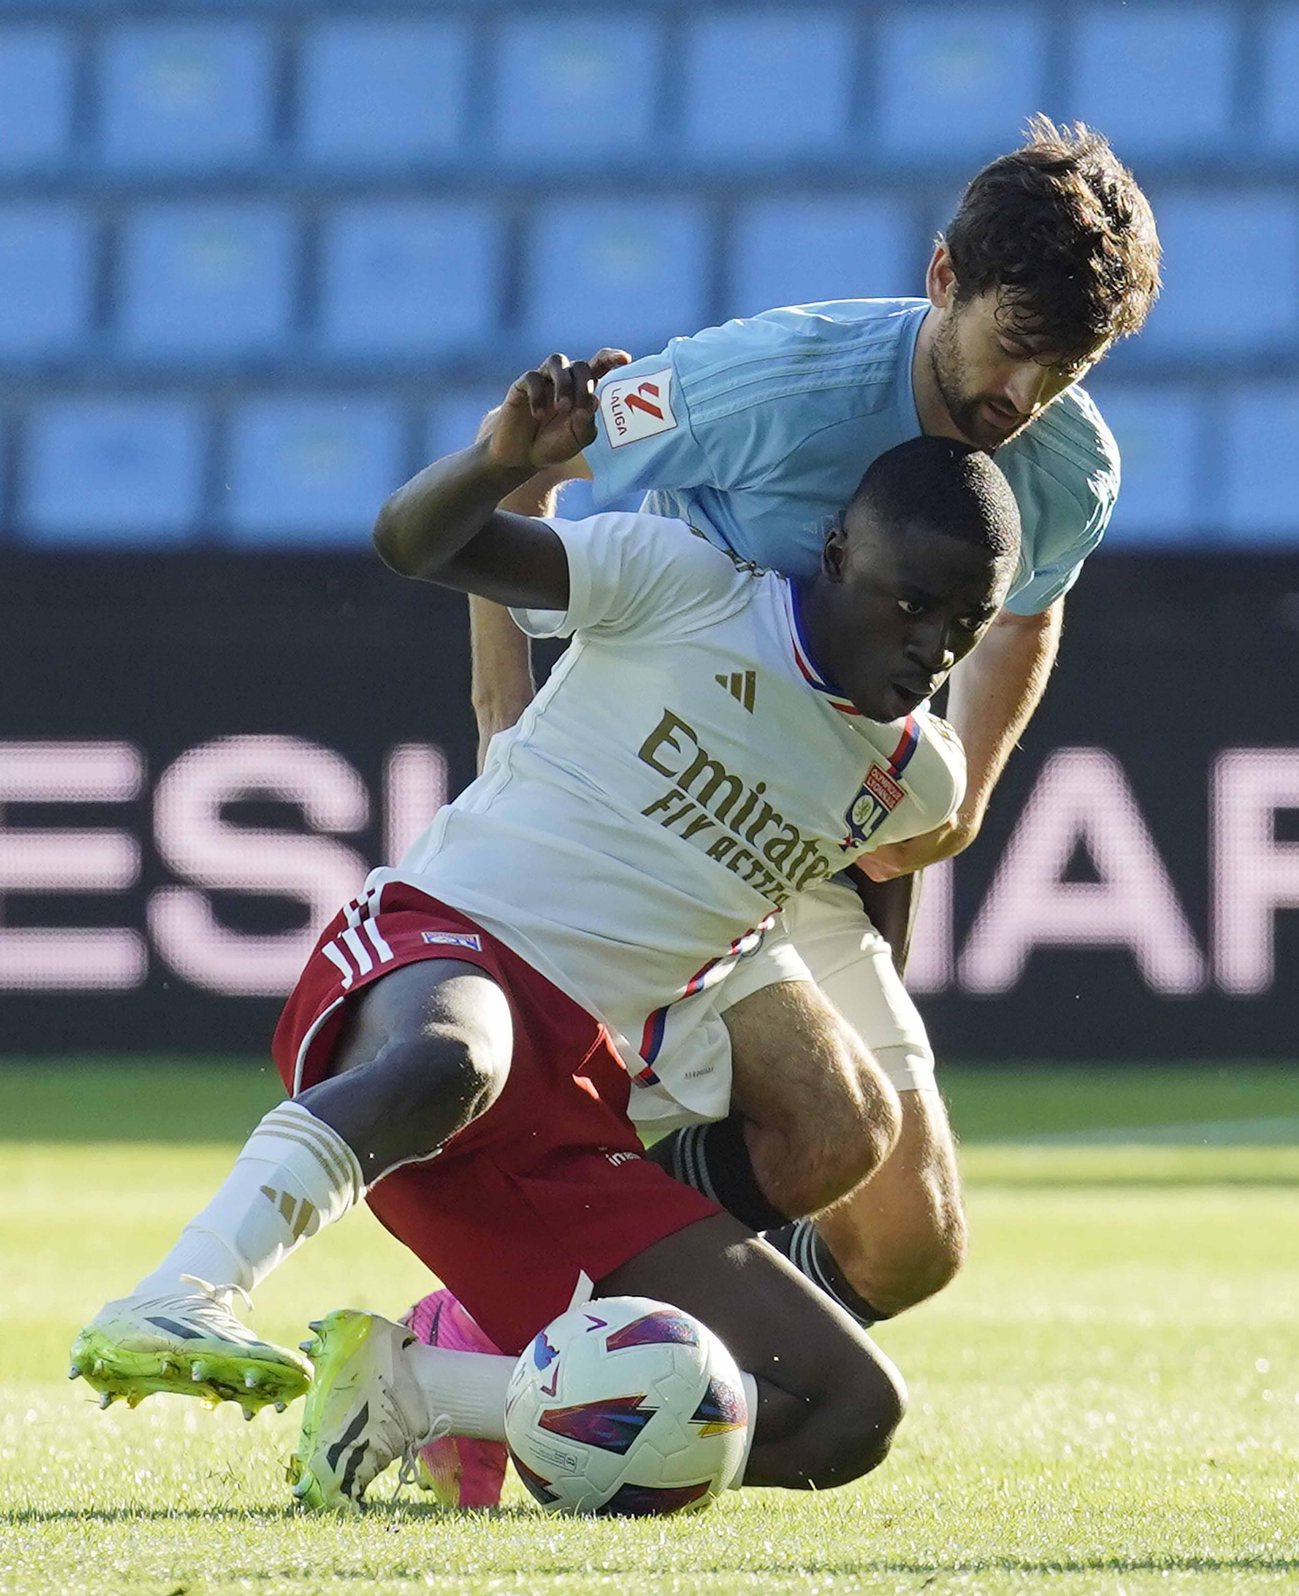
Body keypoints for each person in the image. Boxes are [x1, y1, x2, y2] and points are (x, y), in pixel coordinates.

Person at [70, 353, 1023, 1509]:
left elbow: (854, 875)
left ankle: (421, 1390)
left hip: (566, 1115)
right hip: (440, 961)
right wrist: (500, 467)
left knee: (846, 1415)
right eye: (908, 602)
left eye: (961, 627)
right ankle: (180, 1292)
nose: (930, 648)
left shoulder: (917, 775)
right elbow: (415, 546)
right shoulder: (684, 585)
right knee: (460, 1055)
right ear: (833, 556)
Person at [461, 118, 1161, 1341]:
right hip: (645, 811)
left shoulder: (1068, 464)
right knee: (722, 1149)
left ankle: (489, 1355)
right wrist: (499, 714)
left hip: (802, 839)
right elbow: (518, 471)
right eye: (1013, 350)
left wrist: (967, 801)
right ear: (944, 276)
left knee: (905, 1245)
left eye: (1067, 370)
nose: (1023, 400)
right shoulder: (774, 382)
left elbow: (1023, 619)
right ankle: (508, 1349)